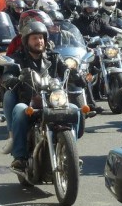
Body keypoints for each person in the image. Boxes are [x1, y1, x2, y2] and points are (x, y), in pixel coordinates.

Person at [7, 21, 81, 172]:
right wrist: (14, 79)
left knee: (75, 109)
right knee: (20, 110)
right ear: (26, 41)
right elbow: (7, 76)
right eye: (34, 38)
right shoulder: (18, 58)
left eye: (41, 38)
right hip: (29, 101)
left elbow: (65, 69)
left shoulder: (54, 57)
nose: (39, 41)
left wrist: (76, 75)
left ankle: (71, 151)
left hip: (53, 101)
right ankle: (19, 157)